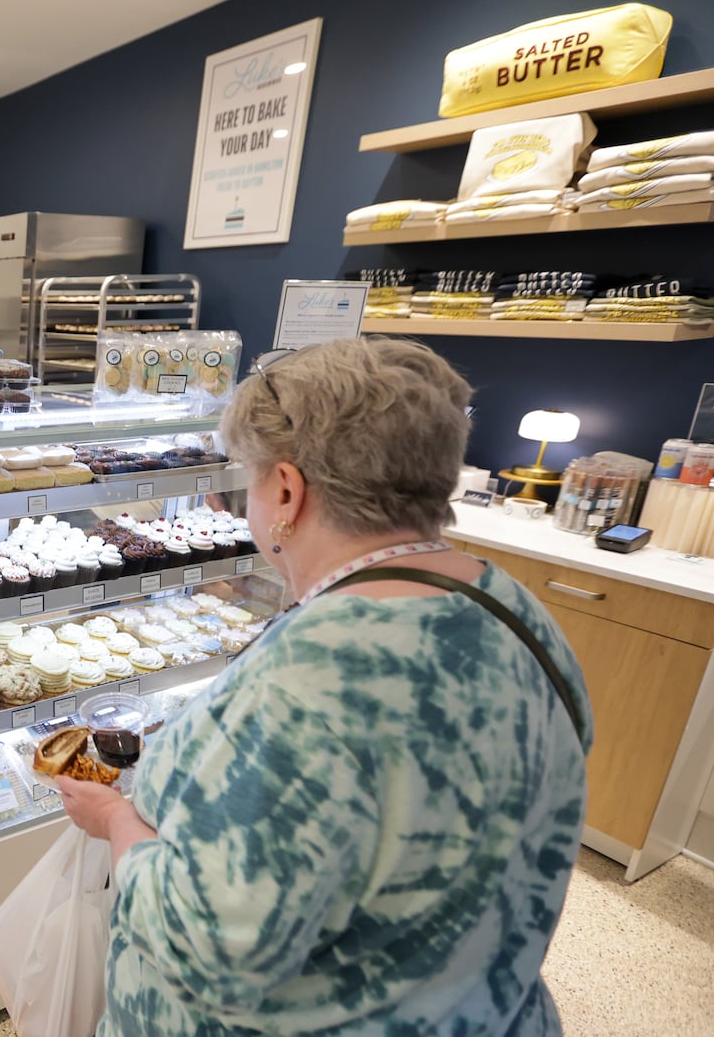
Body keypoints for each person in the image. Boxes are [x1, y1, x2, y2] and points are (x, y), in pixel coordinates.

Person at [57, 337, 592, 1036]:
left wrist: (115, 820)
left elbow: (212, 949)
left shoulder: (307, 679)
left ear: (286, 489)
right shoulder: (519, 613)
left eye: (248, 479)